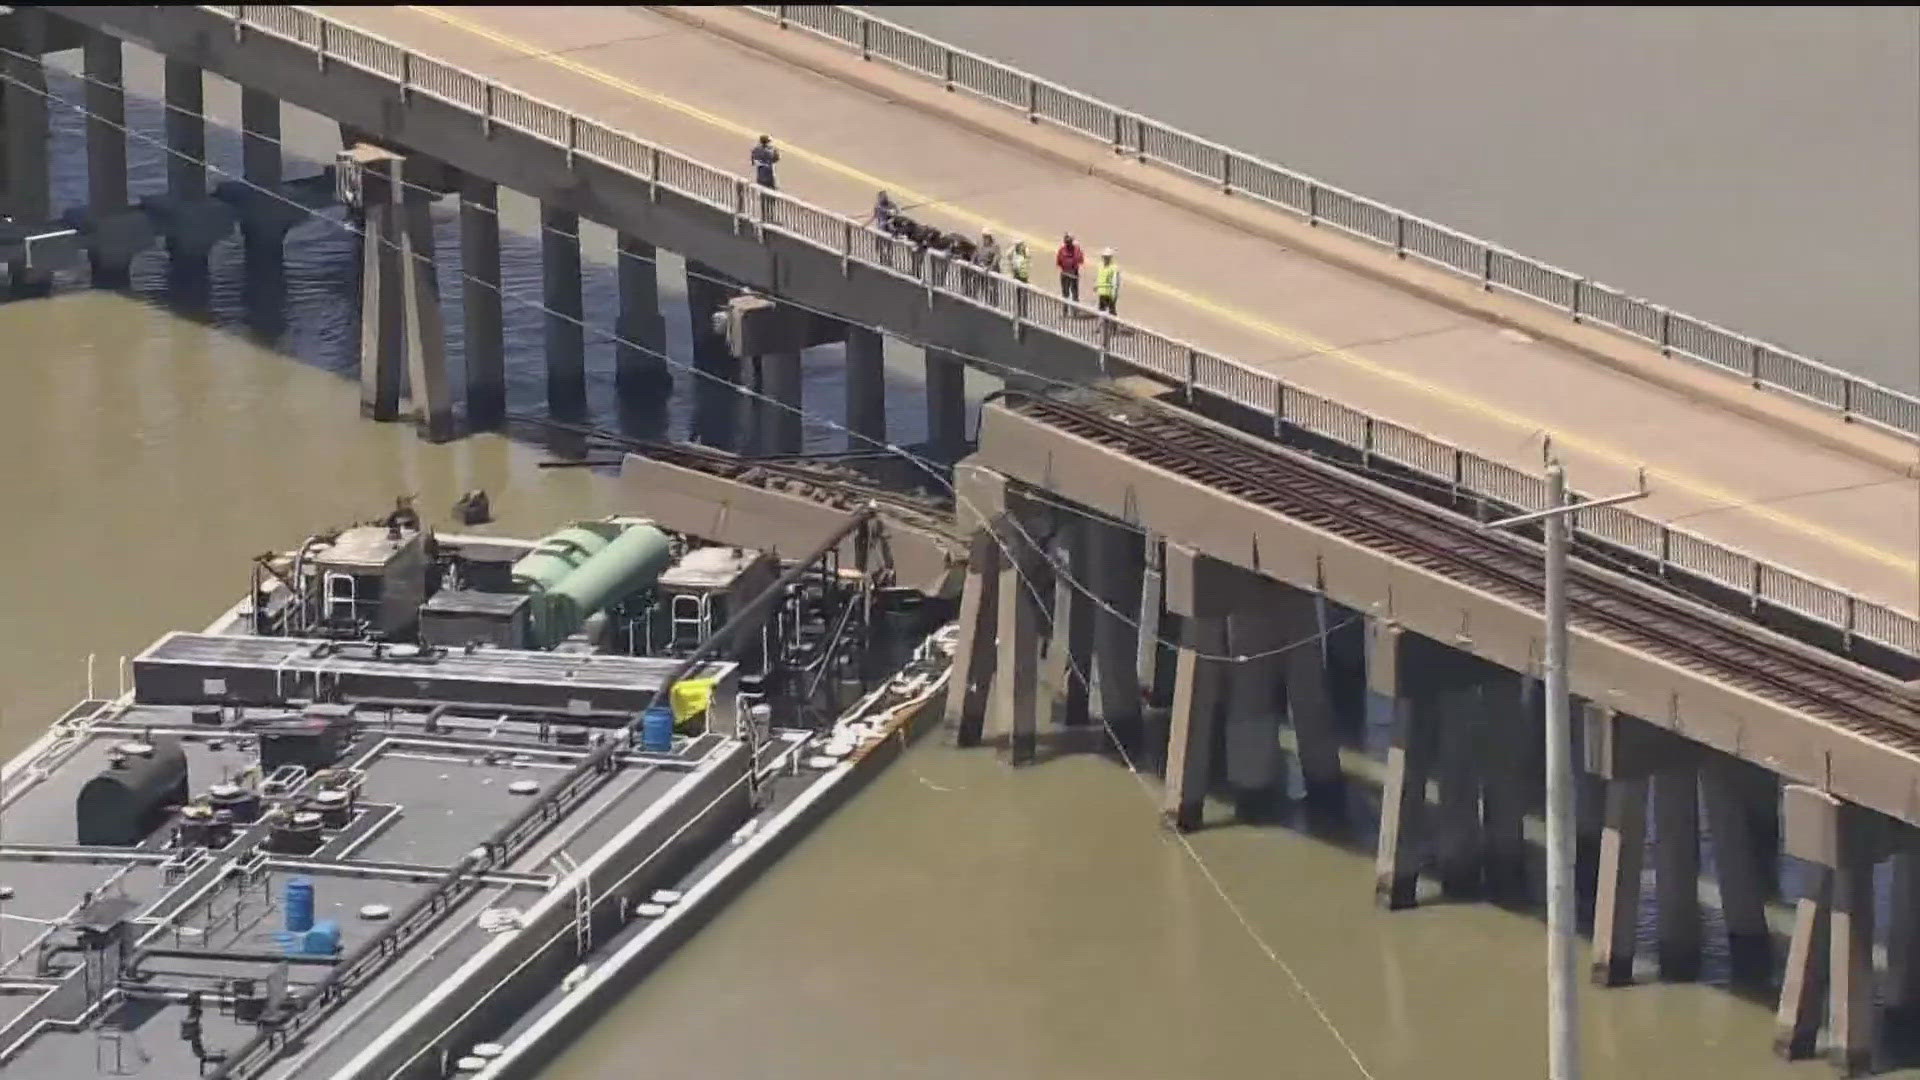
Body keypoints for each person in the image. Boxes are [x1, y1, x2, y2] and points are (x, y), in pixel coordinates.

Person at [1056, 233, 1085, 302]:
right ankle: (1065, 311)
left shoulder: (1077, 249)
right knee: (1065, 294)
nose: (1068, 243)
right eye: (1067, 241)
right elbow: (1059, 262)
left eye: (1069, 241)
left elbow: (1081, 260)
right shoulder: (1061, 250)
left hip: (1073, 274)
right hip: (1065, 274)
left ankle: (1075, 311)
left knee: (1075, 294)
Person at [1095, 247, 1121, 315]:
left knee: (1111, 311)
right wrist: (1096, 285)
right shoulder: (1100, 266)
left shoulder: (1114, 268)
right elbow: (1099, 277)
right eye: (1104, 257)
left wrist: (1114, 294)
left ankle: (1113, 325)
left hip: (1109, 293)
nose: (1105, 259)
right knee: (1101, 310)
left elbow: (1115, 282)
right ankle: (1104, 324)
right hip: (1101, 292)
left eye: (1107, 257)